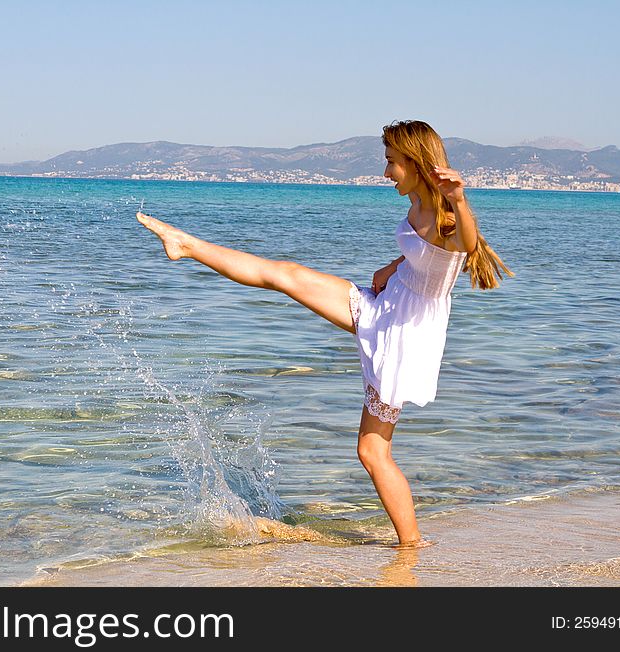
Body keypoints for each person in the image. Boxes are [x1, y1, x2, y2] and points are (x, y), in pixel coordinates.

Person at [136, 120, 514, 548]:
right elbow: (422, 257)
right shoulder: (418, 206)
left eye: (392, 162)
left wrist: (460, 200)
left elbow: (464, 244)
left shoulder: (447, 215)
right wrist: (392, 269)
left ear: (415, 161)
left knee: (373, 452)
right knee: (285, 274)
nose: (386, 172)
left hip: (403, 336)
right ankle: (186, 244)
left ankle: (412, 545)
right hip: (384, 305)